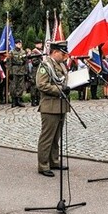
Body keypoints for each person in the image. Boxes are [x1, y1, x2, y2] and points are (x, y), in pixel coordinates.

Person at [36, 41, 70, 177]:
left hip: (61, 105)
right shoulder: (45, 65)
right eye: (62, 54)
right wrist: (60, 89)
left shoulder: (60, 65)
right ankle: (43, 165)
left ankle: (54, 161)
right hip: (49, 106)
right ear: (55, 52)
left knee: (56, 137)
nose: (64, 56)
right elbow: (41, 85)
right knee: (47, 137)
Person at [8, 40, 27, 107]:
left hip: (21, 70)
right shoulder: (12, 52)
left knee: (20, 86)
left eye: (20, 44)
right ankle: (13, 101)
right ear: (15, 44)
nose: (20, 45)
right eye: (18, 44)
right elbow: (9, 62)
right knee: (14, 86)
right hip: (14, 70)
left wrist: (26, 71)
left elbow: (25, 62)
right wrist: (10, 72)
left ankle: (18, 100)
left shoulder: (23, 52)